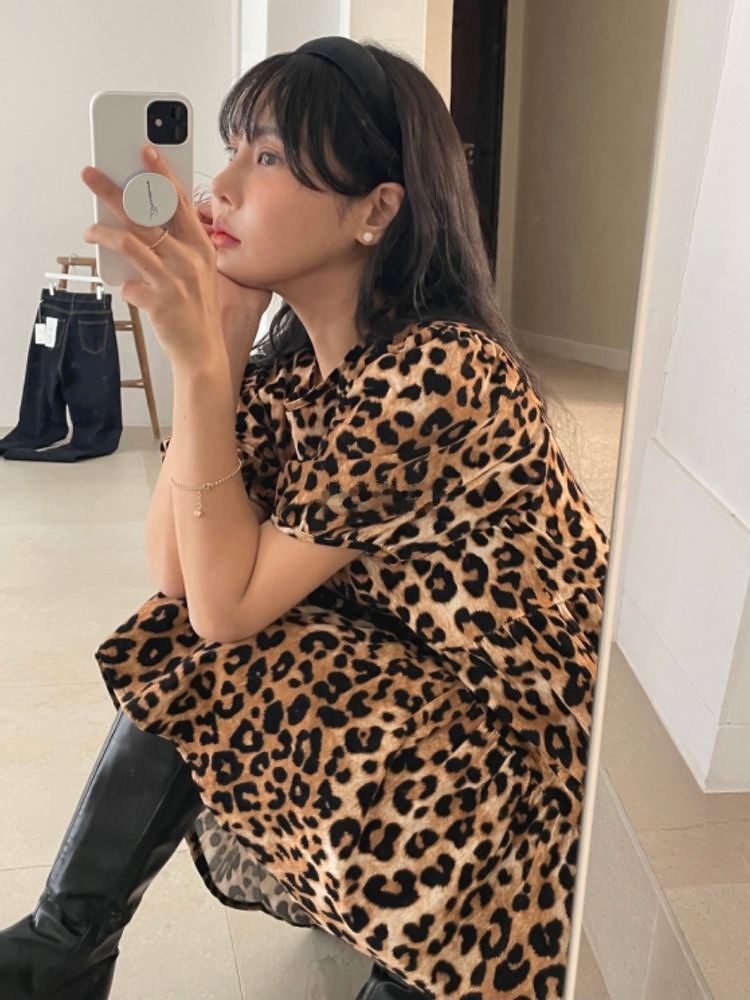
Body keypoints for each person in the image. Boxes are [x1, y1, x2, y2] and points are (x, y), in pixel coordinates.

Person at [0, 36, 610, 1000]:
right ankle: (60, 946)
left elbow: (224, 614)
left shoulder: (440, 370)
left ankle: (429, 959)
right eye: (231, 149)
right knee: (193, 627)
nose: (222, 186)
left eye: (270, 156)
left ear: (377, 211)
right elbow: (177, 577)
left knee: (229, 639)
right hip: (417, 705)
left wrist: (203, 367)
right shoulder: (294, 376)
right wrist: (220, 348)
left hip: (524, 770)